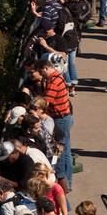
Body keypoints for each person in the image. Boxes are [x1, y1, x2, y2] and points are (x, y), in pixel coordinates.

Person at [24, 60, 74, 193]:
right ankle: (67, 182)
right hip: (64, 117)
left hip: (60, 118)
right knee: (66, 151)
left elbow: (45, 103)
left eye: (41, 72)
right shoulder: (59, 77)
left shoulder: (54, 82)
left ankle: (64, 183)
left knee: (60, 153)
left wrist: (33, 109)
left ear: (46, 68)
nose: (41, 75)